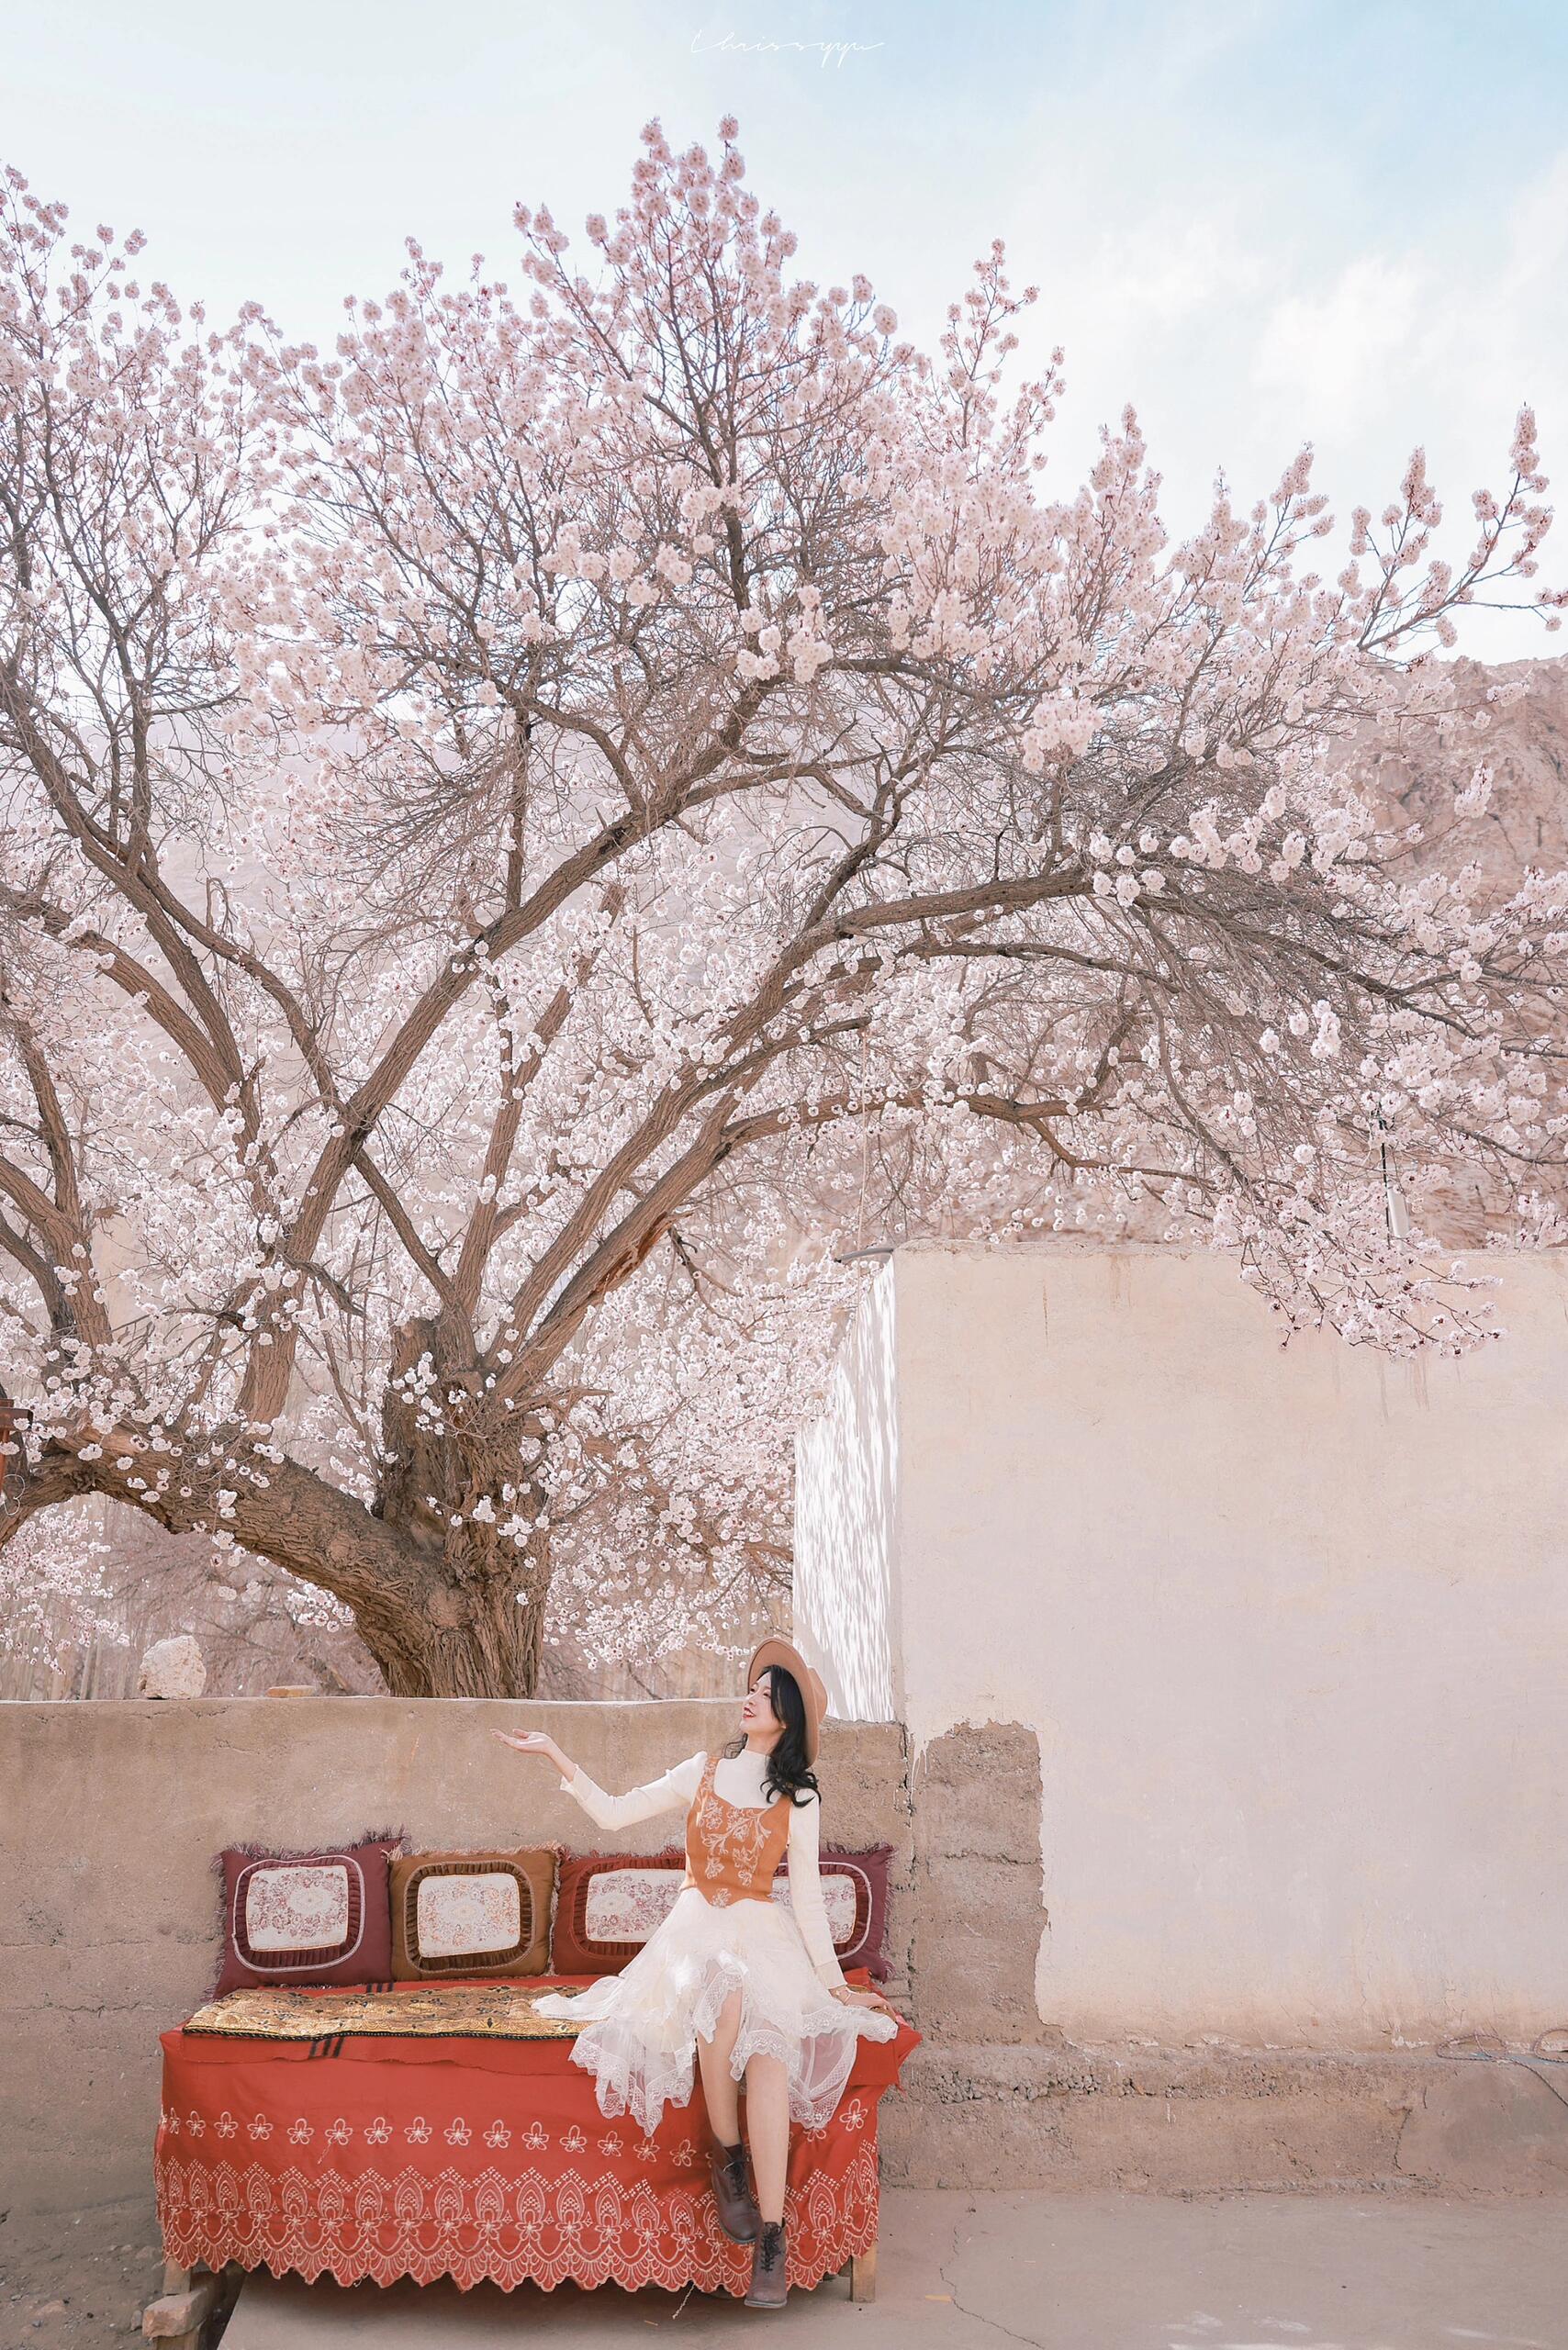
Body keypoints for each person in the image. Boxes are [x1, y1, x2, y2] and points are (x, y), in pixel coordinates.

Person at [492, 1636, 897, 2311]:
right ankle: (727, 2156)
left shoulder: (799, 1797)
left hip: (762, 1936)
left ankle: (772, 2237)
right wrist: (556, 1755)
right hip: (691, 1936)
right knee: (724, 1990)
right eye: (752, 1687)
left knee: (770, 2057)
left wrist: (834, 1988)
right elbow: (615, 1811)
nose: (750, 1697)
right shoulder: (702, 1770)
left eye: (767, 1694)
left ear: (788, 1717)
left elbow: (804, 1900)